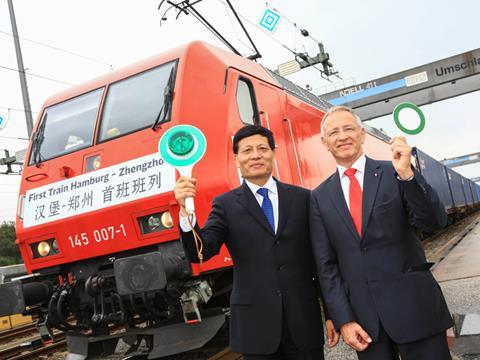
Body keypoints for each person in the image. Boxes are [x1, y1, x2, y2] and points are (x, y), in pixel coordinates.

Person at [174, 125, 338, 360]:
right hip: (256, 325)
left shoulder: (302, 198)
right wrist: (184, 210)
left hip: (304, 321)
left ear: (273, 152)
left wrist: (332, 314)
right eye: (247, 150)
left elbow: (321, 259)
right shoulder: (225, 205)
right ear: (237, 158)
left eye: (262, 148)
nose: (255, 155)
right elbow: (201, 252)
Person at [309, 105, 453, 360]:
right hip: (366, 325)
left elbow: (434, 222)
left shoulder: (394, 172)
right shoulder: (320, 197)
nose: (342, 136)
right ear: (325, 143)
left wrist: (408, 175)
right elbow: (326, 265)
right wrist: (344, 320)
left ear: (362, 135)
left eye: (348, 129)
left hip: (415, 309)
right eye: (334, 132)